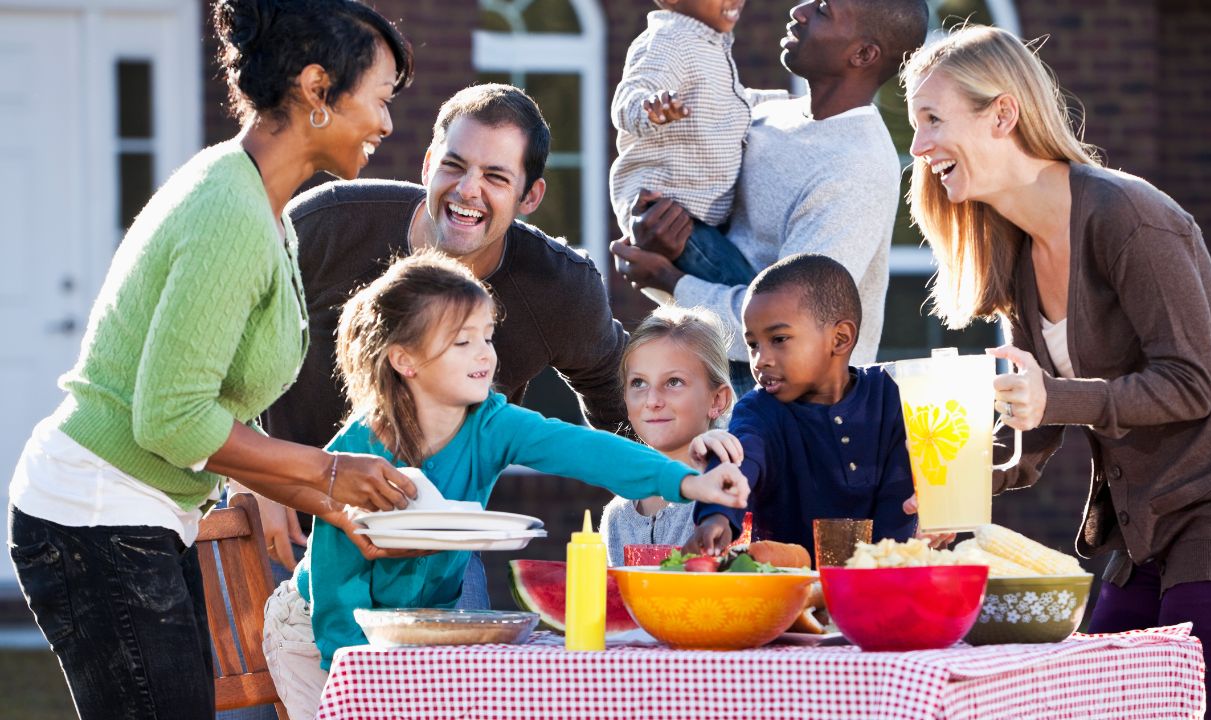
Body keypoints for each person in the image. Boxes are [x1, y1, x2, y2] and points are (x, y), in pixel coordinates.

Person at [5, 2, 420, 718]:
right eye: (379, 100)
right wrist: (327, 470)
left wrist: (328, 503)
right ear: (318, 88)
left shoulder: (262, 207)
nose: (386, 124)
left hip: (135, 516)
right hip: (96, 515)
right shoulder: (228, 210)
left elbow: (211, 418)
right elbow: (172, 418)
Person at [902, 25, 1211, 720]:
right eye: (915, 124)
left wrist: (1051, 398)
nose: (919, 148)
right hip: (1137, 533)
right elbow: (1039, 426)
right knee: (1088, 706)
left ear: (1003, 114)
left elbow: (1190, 383)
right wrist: (952, 490)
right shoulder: (1015, 252)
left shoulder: (1128, 216)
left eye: (932, 120)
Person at [261, 251, 749, 719]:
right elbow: (336, 571)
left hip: (413, 629)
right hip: (319, 632)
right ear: (405, 360)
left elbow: (586, 449)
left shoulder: (491, 423)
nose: (485, 355)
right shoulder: (364, 445)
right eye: (462, 342)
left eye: (487, 337)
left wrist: (687, 483)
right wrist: (346, 664)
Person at [257, 84, 630, 591]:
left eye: (496, 177)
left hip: (440, 542)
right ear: (429, 163)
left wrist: (676, 497)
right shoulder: (327, 223)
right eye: (454, 166)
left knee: (459, 670)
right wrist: (252, 476)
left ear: (530, 196)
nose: (468, 190)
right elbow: (217, 344)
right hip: (289, 523)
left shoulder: (560, 288)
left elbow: (624, 407)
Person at [612, 0, 929, 395]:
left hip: (798, 419)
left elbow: (795, 325)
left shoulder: (856, 167)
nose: (800, 10)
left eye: (824, 11)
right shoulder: (764, 117)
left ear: (863, 54)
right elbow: (707, 233)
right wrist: (652, 235)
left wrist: (665, 280)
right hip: (716, 387)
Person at [684, 254, 916, 559]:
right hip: (790, 589)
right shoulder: (760, 410)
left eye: (779, 339)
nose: (760, 359)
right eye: (753, 344)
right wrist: (716, 515)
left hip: (890, 582)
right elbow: (740, 458)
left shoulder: (894, 396)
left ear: (840, 338)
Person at [609, 0, 787, 303]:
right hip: (670, 215)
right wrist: (651, 109)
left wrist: (787, 102)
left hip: (701, 214)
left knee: (748, 296)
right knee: (754, 301)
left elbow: (732, 104)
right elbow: (629, 95)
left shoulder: (709, 44)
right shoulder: (669, 39)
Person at [598, 306, 743, 566]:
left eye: (674, 382)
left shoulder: (733, 494)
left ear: (718, 399)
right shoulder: (617, 515)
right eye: (639, 383)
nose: (652, 401)